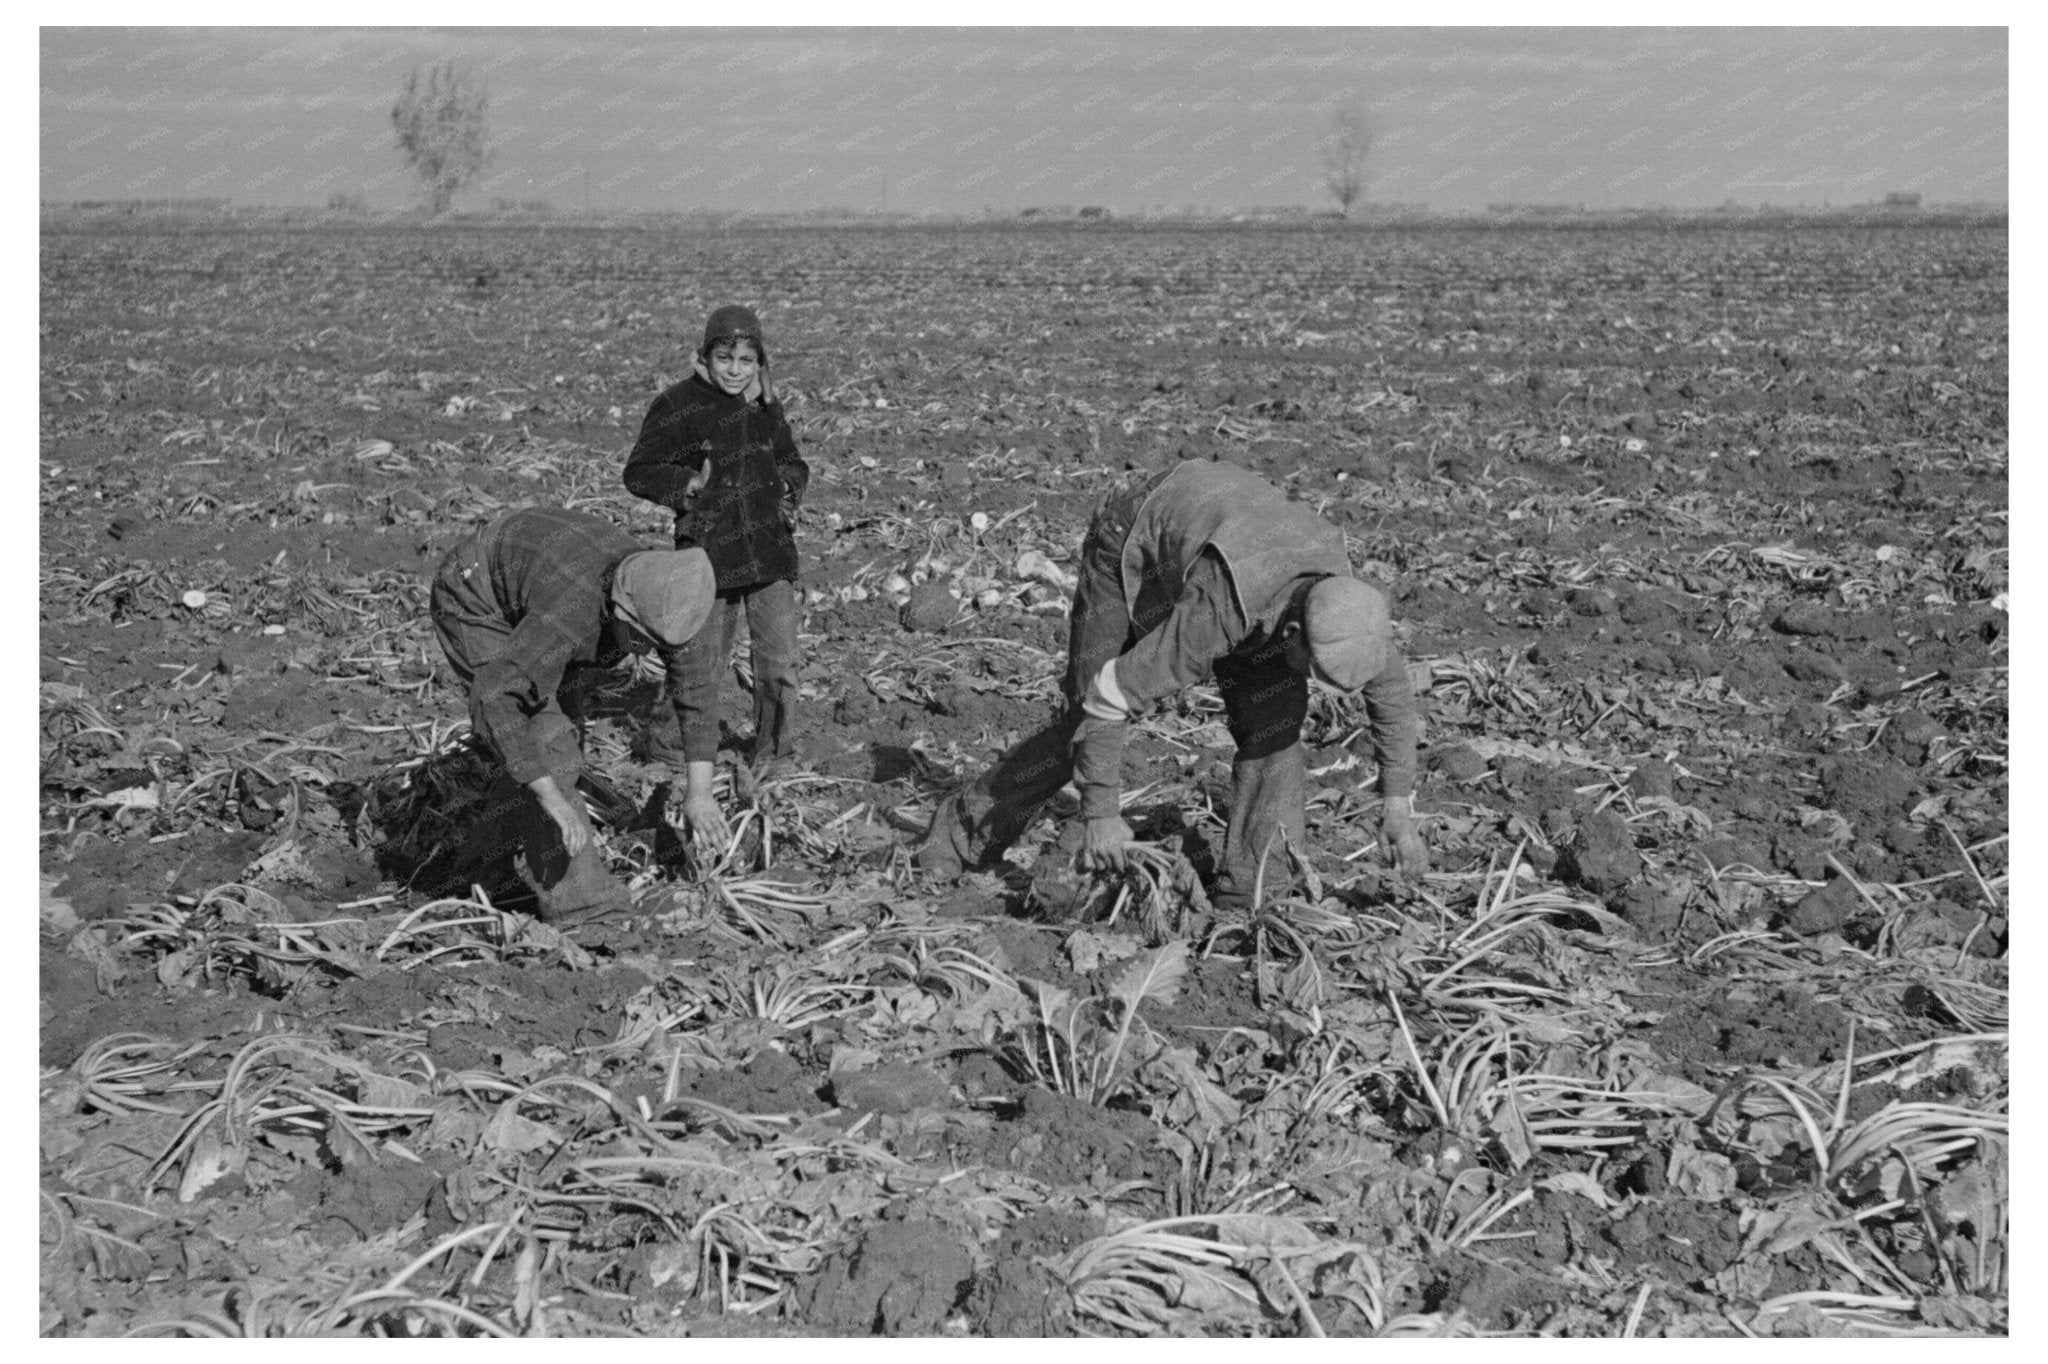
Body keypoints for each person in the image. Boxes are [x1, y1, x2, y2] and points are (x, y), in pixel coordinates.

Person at [917, 459, 1427, 911]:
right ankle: (956, 839)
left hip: (1250, 548)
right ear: (1293, 635)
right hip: (1141, 539)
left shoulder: (1350, 611)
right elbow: (1110, 696)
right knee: (1084, 725)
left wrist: (1398, 808)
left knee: (1275, 728)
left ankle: (1253, 889)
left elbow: (1395, 706)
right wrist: (1101, 813)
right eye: (1313, 670)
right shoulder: (1217, 613)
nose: (1312, 684)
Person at [429, 506, 715, 923]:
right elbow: (496, 698)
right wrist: (552, 797)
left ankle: (482, 871)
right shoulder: (570, 615)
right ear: (621, 609)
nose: (649, 653)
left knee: (551, 745)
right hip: (476, 597)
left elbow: (697, 691)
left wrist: (700, 793)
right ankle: (587, 911)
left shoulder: (672, 596)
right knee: (550, 749)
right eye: (641, 640)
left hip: (535, 584)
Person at [625, 304, 810, 849]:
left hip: (770, 555)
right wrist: (690, 486)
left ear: (760, 362)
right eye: (724, 357)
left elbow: (793, 461)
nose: (735, 369)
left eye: (746, 359)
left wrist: (786, 489)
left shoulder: (764, 405)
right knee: (700, 663)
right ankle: (666, 743)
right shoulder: (678, 405)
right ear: (702, 357)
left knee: (778, 664)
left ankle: (773, 754)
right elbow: (639, 470)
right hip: (708, 557)